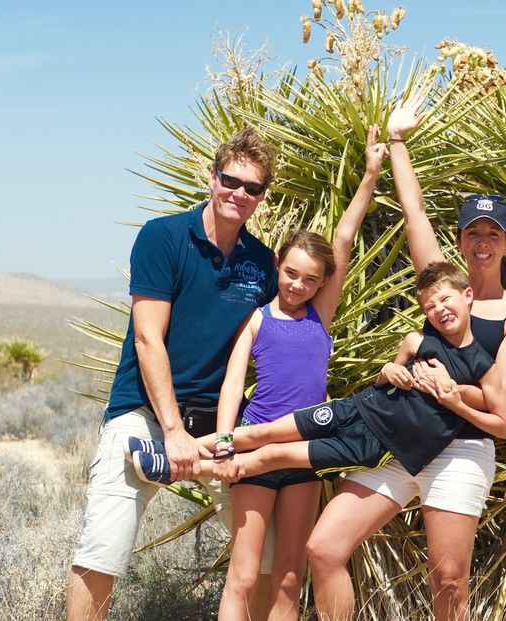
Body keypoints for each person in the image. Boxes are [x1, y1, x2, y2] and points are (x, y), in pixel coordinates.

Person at [304, 91, 506, 621]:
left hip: (460, 447)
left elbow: (500, 393)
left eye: (492, 234)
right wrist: (397, 139)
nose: (482, 242)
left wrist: (446, 388)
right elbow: (413, 210)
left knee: (449, 580)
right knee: (324, 549)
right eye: (472, 232)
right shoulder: (441, 279)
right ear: (459, 238)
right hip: (398, 435)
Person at [66, 127, 280, 621]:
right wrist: (172, 431)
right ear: (212, 177)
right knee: (104, 547)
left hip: (220, 422)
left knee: (264, 554)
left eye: (253, 188)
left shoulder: (262, 263)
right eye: (231, 181)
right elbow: (148, 339)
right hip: (145, 413)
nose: (239, 194)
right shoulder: (163, 238)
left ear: (261, 197)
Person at [209, 127, 385, 621]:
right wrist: (225, 439)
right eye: (290, 273)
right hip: (257, 449)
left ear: (323, 283)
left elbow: (345, 237)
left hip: (307, 454)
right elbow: (232, 382)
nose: (298, 285)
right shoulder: (258, 317)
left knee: (289, 576)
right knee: (243, 577)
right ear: (278, 267)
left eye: (310, 279)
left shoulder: (319, 317)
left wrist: (371, 173)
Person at [127, 262, 506, 488]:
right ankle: (169, 450)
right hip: (355, 409)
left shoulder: (484, 366)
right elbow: (386, 379)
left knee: (273, 455)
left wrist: (454, 401)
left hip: (371, 446)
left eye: (445, 300)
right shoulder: (416, 340)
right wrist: (388, 371)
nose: (439, 310)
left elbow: (501, 425)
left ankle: (177, 470)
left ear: (468, 297)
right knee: (261, 433)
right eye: (429, 305)